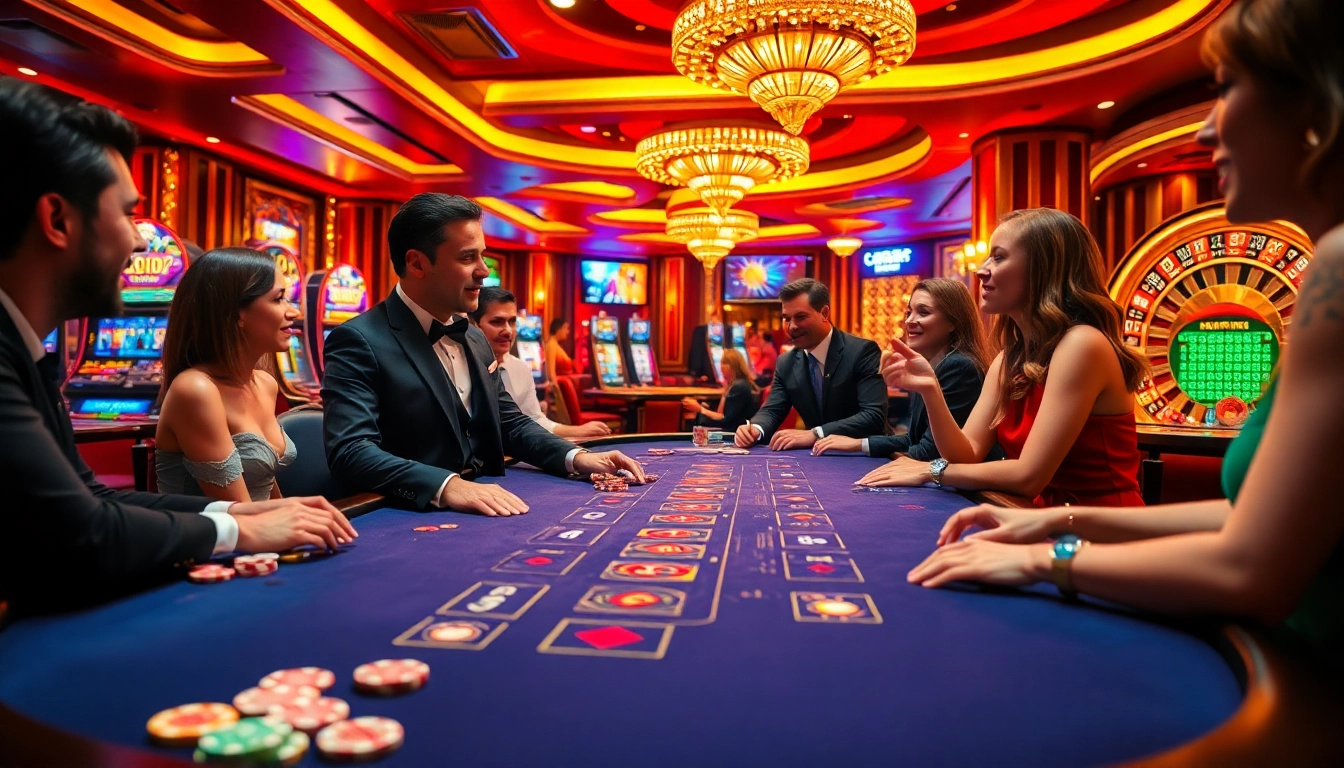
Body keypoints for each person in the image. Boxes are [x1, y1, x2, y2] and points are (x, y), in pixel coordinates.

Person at [909, 0, 1344, 658]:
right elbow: (1257, 521)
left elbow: (1252, 568)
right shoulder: (1330, 266)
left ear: (1319, 100)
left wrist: (1049, 557)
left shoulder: (1336, 265)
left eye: (1225, 89)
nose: (1204, 130)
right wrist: (1057, 524)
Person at [0, 80, 354, 612]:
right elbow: (81, 532)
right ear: (57, 220)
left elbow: (93, 499)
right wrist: (234, 534)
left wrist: (235, 515)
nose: (142, 241)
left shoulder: (25, 352)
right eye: (125, 214)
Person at [322, 193, 645, 517]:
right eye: (467, 258)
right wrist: (446, 485)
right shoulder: (358, 339)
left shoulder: (474, 337)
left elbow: (509, 422)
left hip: (485, 511)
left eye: (482, 257)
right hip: (408, 517)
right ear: (417, 263)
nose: (483, 271)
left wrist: (576, 457)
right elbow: (351, 452)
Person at [859, 208, 1147, 508]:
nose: (981, 270)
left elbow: (1028, 476)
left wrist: (932, 471)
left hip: (1100, 529)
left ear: (1042, 268)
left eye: (998, 257)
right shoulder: (1010, 357)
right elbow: (966, 454)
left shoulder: (1082, 343)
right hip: (1039, 516)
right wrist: (931, 389)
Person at [155, 248, 300, 502]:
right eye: (278, 299)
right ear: (236, 314)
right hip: (207, 539)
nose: (294, 312)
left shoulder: (265, 384)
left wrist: (301, 517)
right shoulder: (195, 389)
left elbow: (265, 488)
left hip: (259, 533)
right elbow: (239, 516)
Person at [814, 278, 995, 460]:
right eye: (908, 312)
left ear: (953, 322)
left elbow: (930, 452)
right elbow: (914, 439)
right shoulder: (926, 364)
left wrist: (887, 458)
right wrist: (859, 444)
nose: (909, 321)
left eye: (923, 313)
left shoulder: (959, 366)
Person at [734, 279, 888, 451]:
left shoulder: (862, 351)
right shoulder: (786, 362)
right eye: (787, 319)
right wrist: (755, 429)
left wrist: (816, 433)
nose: (791, 327)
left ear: (824, 313)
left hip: (863, 455)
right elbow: (772, 410)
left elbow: (874, 416)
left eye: (800, 317)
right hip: (817, 458)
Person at [469, 286, 610, 439]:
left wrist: (576, 430)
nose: (508, 331)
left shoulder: (521, 368)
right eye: (497, 322)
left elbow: (534, 419)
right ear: (474, 325)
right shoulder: (463, 366)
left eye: (512, 322)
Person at [682, 348, 760, 430]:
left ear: (730, 366)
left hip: (734, 434)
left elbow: (725, 420)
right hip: (732, 429)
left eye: (723, 363)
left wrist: (700, 409)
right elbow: (721, 414)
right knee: (692, 418)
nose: (721, 367)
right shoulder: (735, 384)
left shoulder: (739, 386)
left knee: (691, 422)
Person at [544, 318, 574, 385]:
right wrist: (556, 392)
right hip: (559, 388)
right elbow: (551, 373)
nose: (567, 332)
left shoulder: (555, 344)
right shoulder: (552, 344)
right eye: (565, 328)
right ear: (558, 329)